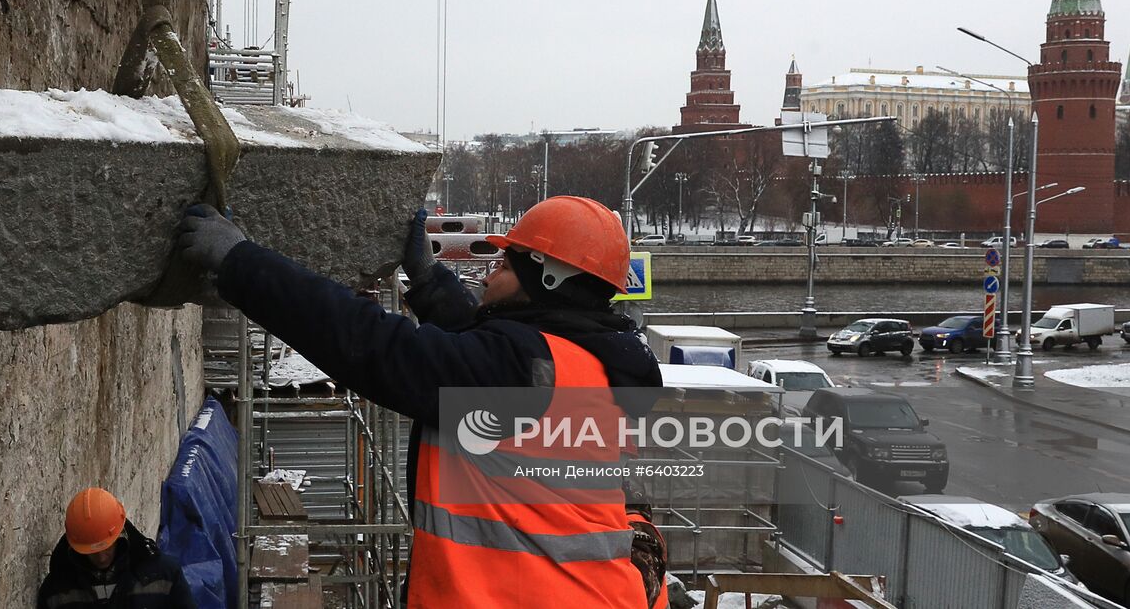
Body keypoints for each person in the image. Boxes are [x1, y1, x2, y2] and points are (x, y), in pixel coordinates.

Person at [177, 195, 662, 607]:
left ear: (548, 279)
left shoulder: (523, 369)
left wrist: (242, 263)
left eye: (505, 265)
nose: (490, 276)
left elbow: (374, 346)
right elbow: (484, 356)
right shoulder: (593, 368)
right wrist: (428, 280)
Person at [37, 487, 194, 608]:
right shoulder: (55, 592)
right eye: (92, 552)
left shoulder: (164, 575)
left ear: (120, 534)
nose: (101, 557)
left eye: (106, 547)